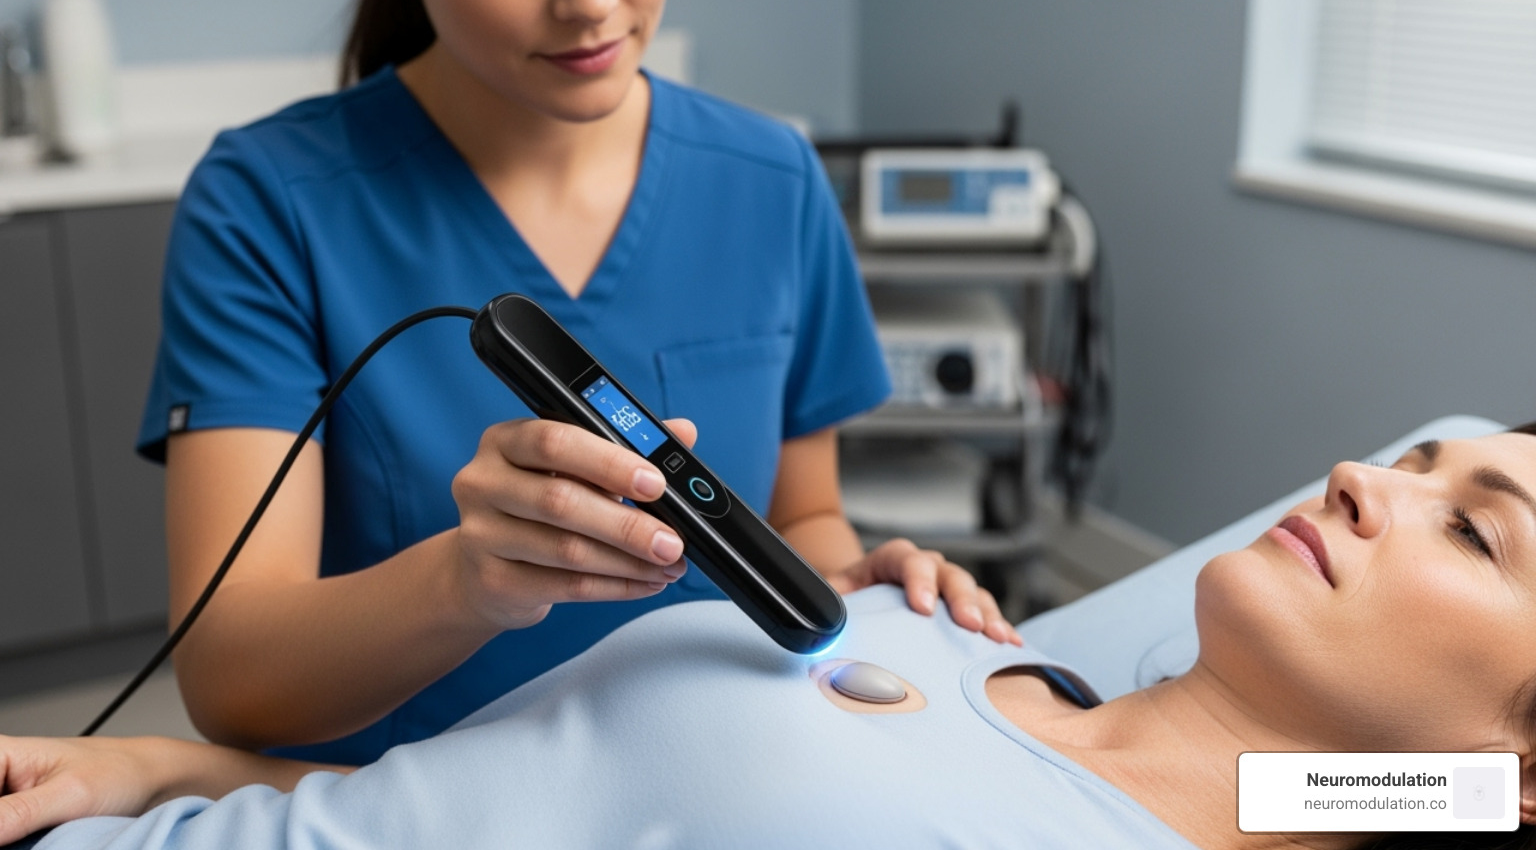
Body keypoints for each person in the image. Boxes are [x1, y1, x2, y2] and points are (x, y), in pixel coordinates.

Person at [133, 0, 1017, 768]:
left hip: (724, 784)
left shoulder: (771, 178)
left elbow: (804, 512)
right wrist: (466, 582)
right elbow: (232, 680)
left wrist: (838, 572)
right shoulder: (269, 204)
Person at [4, 427, 1535, 850]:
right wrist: (149, 765)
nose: (1368, 477)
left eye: (1475, 529)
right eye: (1418, 461)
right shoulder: (950, 629)